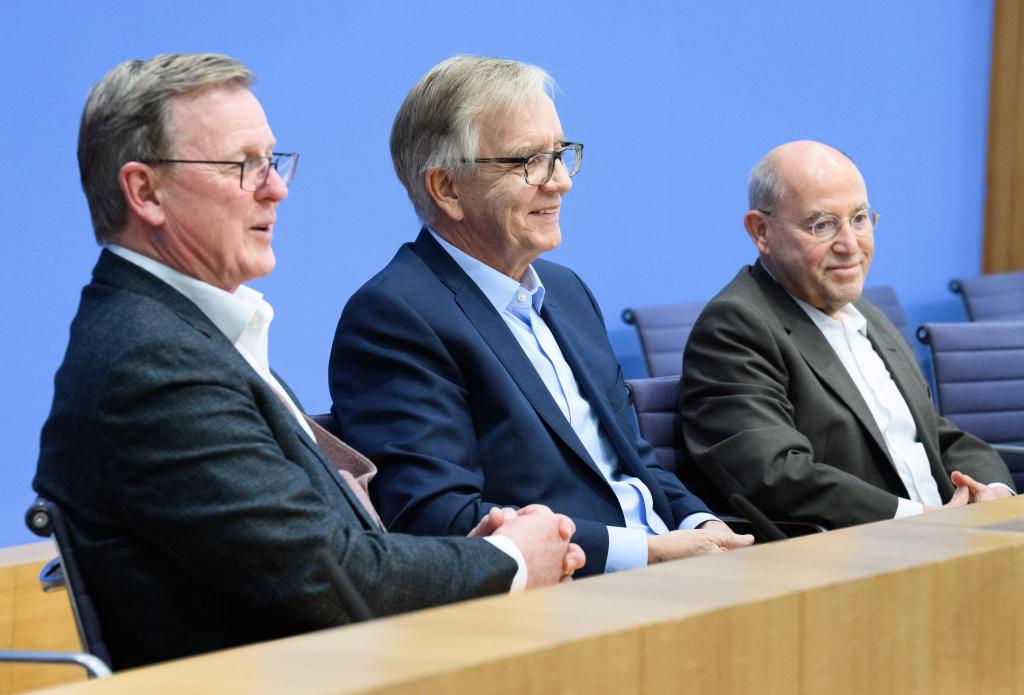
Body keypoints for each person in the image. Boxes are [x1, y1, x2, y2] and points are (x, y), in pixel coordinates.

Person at [33, 53, 582, 671]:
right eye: (243, 165)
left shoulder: (183, 335)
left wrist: (467, 558)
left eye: (272, 160)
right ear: (145, 191)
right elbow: (336, 583)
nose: (277, 188)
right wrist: (508, 558)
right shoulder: (152, 366)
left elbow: (320, 555)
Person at [329, 55, 752, 577]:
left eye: (560, 154)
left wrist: (698, 526)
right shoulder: (394, 317)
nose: (560, 182)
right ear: (446, 188)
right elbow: (439, 517)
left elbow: (635, 465)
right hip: (563, 600)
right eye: (528, 161)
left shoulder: (567, 291)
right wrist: (647, 552)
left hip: (669, 572)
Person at [679, 140, 1015, 529]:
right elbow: (778, 476)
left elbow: (934, 435)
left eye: (859, 219)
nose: (850, 245)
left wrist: (993, 493)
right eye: (822, 225)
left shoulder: (865, 314)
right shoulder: (735, 326)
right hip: (857, 555)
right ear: (761, 232)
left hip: (952, 536)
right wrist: (922, 521)